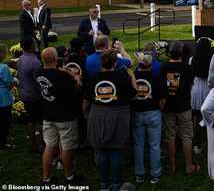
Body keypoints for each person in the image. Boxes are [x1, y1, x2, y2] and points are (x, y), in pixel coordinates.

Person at [83, 50, 137, 191]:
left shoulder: (94, 77)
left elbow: (86, 100)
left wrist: (85, 113)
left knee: (101, 150)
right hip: (117, 116)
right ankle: (116, 183)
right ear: (115, 63)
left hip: (97, 115)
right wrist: (132, 77)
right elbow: (133, 95)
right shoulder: (122, 77)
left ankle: (104, 183)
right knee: (116, 150)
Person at [37, 47, 80, 185]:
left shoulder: (38, 73)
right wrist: (75, 76)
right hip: (65, 116)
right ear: (56, 59)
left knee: (49, 146)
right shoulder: (62, 76)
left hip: (48, 115)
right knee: (67, 147)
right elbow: (76, 87)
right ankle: (69, 177)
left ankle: (46, 178)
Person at [161, 41, 198, 175]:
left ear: (169, 53)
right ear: (182, 53)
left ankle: (172, 167)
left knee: (169, 137)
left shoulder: (163, 67)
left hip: (168, 106)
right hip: (184, 106)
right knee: (187, 136)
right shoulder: (188, 68)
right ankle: (189, 166)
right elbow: (190, 85)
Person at [132, 53, 167, 184]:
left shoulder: (133, 77)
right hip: (153, 113)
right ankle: (155, 174)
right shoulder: (157, 76)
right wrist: (159, 110)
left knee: (139, 145)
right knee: (154, 145)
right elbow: (163, 98)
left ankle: (139, 174)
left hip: (138, 113)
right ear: (150, 65)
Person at [17, 36, 43, 153]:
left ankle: (32, 143)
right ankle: (39, 145)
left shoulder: (21, 59)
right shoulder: (35, 62)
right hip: (34, 96)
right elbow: (38, 81)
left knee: (30, 119)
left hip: (24, 93)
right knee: (37, 121)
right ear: (31, 46)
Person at [190, 37, 214, 155]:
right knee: (210, 117)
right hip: (208, 88)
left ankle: (198, 144)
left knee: (198, 117)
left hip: (196, 87)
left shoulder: (193, 59)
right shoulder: (212, 59)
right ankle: (209, 142)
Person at [0, 44, 14, 149]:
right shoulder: (4, 68)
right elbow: (9, 83)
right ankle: (4, 140)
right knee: (5, 120)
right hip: (4, 98)